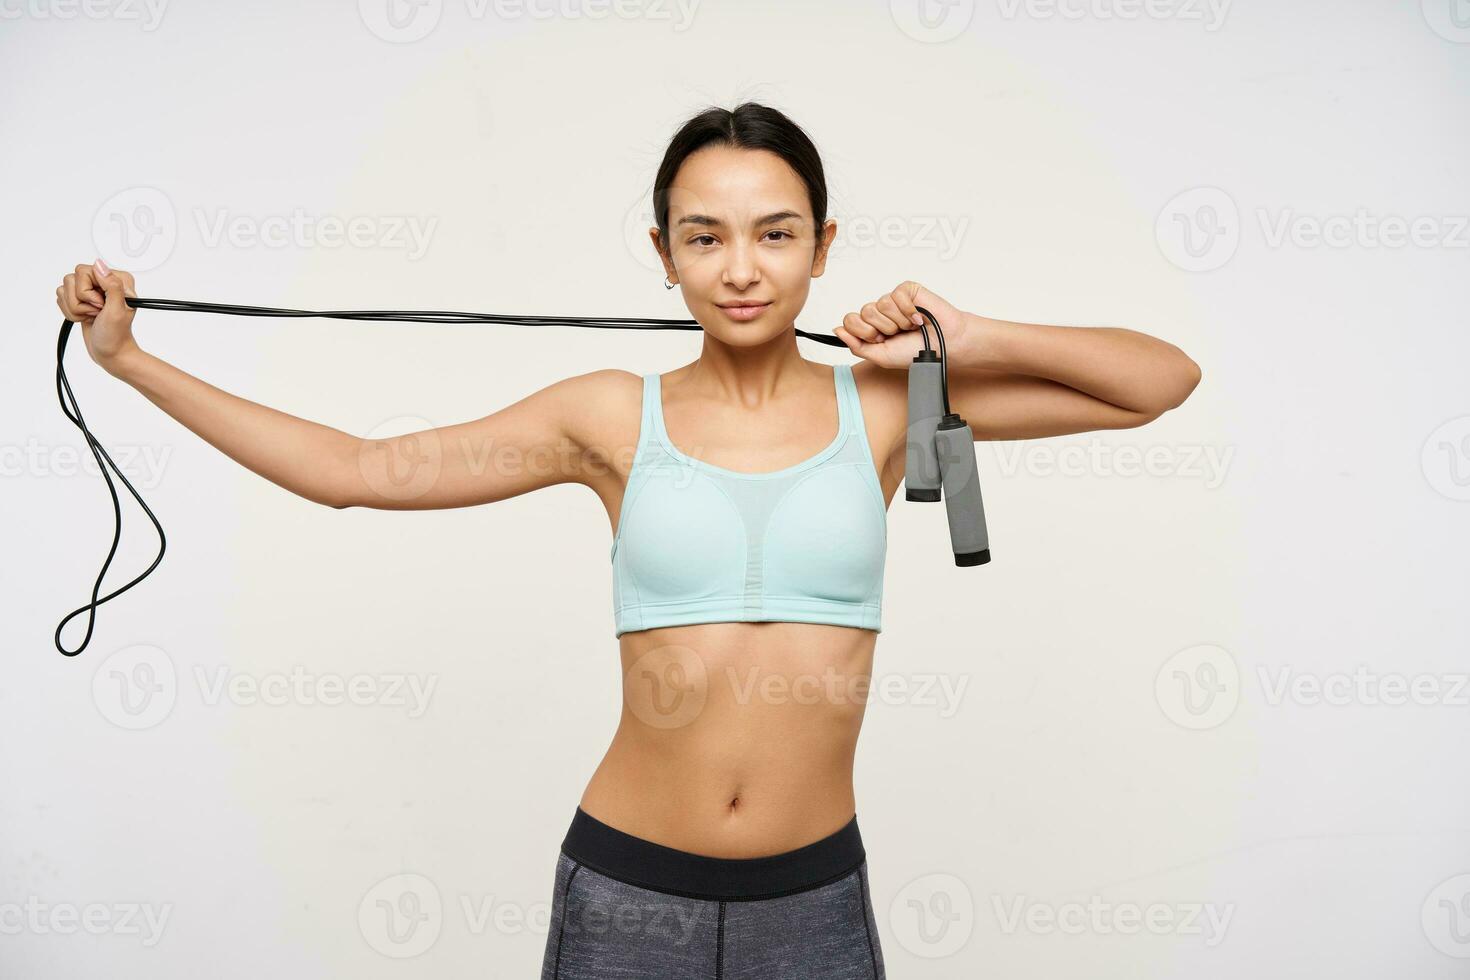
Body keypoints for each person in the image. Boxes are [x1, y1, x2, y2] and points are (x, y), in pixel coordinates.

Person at [55, 102, 1200, 978]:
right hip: (626, 890)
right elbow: (355, 471)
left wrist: (973, 330)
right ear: (663, 251)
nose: (741, 267)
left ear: (823, 243)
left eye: (774, 233)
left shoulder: (891, 404)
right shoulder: (608, 414)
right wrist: (132, 361)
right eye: (704, 236)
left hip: (814, 896)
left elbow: (1158, 383)